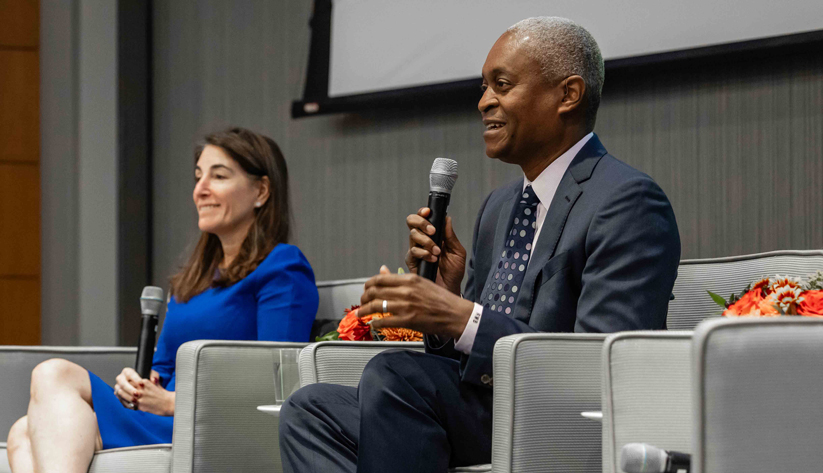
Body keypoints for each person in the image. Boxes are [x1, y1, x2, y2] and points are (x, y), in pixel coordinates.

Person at [279, 17, 681, 472]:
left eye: (502, 85)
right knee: (310, 411)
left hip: (556, 414)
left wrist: (458, 314)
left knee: (395, 377)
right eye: (484, 86)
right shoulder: (500, 206)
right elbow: (468, 355)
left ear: (568, 95)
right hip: (488, 405)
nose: (484, 102)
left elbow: (601, 365)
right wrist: (448, 299)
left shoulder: (626, 200)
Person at [6, 127, 319, 473]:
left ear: (261, 190)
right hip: (159, 415)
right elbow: (165, 367)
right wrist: (138, 384)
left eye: (218, 176)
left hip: (204, 423)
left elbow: (278, 384)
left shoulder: (283, 266)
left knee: (54, 374)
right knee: (22, 431)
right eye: (198, 177)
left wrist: (173, 403)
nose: (200, 190)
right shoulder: (196, 277)